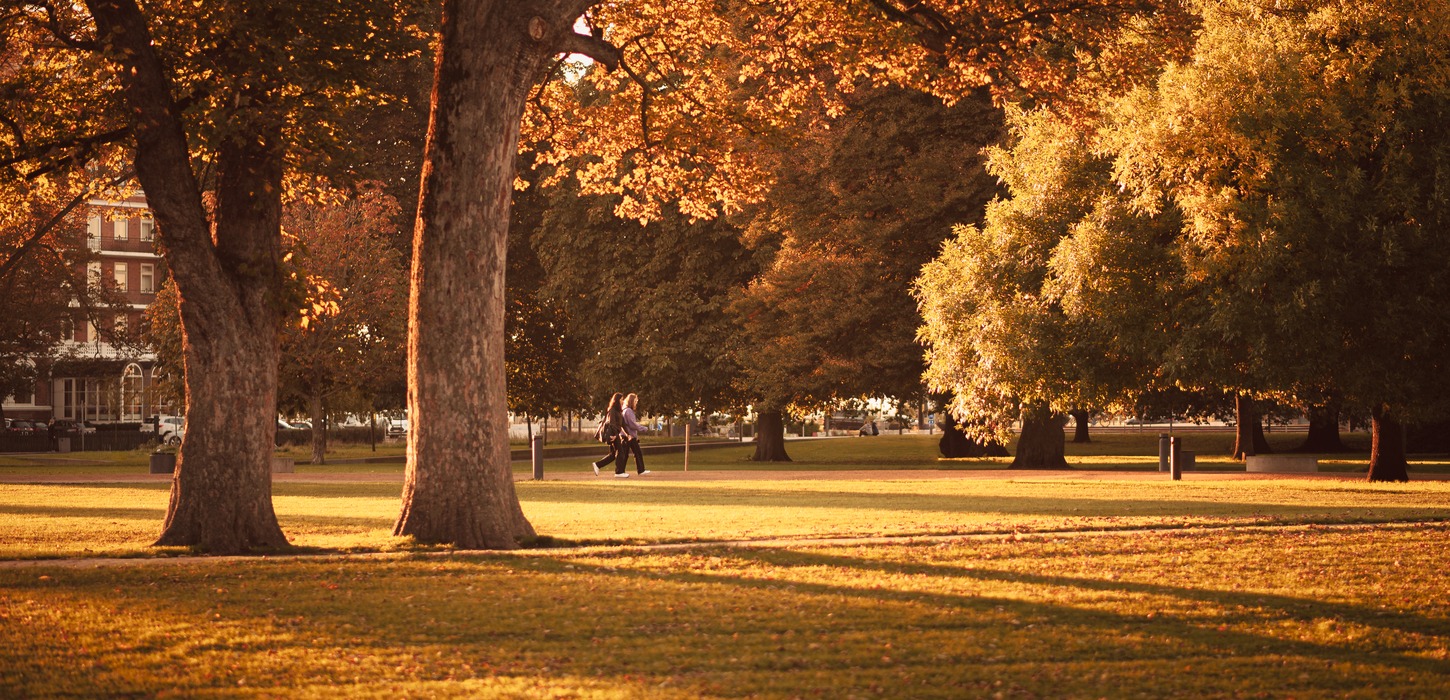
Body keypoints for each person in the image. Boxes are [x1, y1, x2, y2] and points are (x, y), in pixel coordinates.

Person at [590, 393, 631, 478]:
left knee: (613, 455)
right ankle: (619, 472)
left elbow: (623, 424)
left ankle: (597, 465)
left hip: (615, 434)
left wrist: (628, 434)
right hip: (613, 434)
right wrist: (616, 435)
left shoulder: (619, 411)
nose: (623, 401)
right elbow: (612, 424)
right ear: (617, 400)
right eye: (621, 399)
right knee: (621, 452)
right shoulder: (612, 410)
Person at [620, 393, 651, 475]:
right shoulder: (628, 411)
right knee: (634, 453)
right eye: (635, 401)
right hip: (629, 436)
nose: (636, 403)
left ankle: (639, 470)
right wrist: (644, 428)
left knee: (632, 453)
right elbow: (632, 425)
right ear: (631, 401)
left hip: (627, 435)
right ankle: (621, 471)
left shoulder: (624, 410)